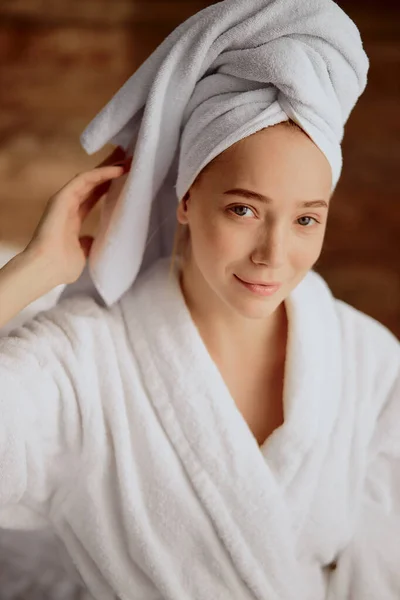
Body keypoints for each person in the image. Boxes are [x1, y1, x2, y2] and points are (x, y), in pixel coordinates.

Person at [1, 1, 399, 599]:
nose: (273, 253)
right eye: (243, 209)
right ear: (185, 198)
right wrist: (34, 270)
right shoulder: (83, 360)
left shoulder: (370, 362)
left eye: (306, 220)